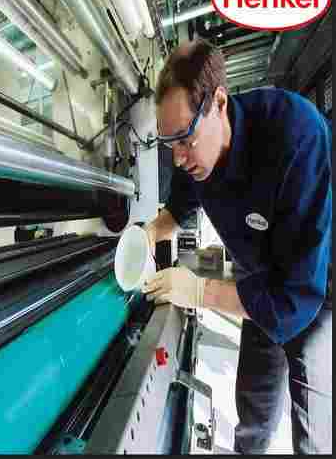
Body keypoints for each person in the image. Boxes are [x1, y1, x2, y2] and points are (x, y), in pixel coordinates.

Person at [142, 39, 332, 454]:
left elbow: (292, 299)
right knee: (253, 409)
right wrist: (146, 235)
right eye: (169, 143)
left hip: (315, 288)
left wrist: (199, 291)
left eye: (184, 139)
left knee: (314, 431)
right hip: (258, 276)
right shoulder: (194, 150)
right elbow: (180, 204)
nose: (178, 158)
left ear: (219, 103)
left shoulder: (296, 137)